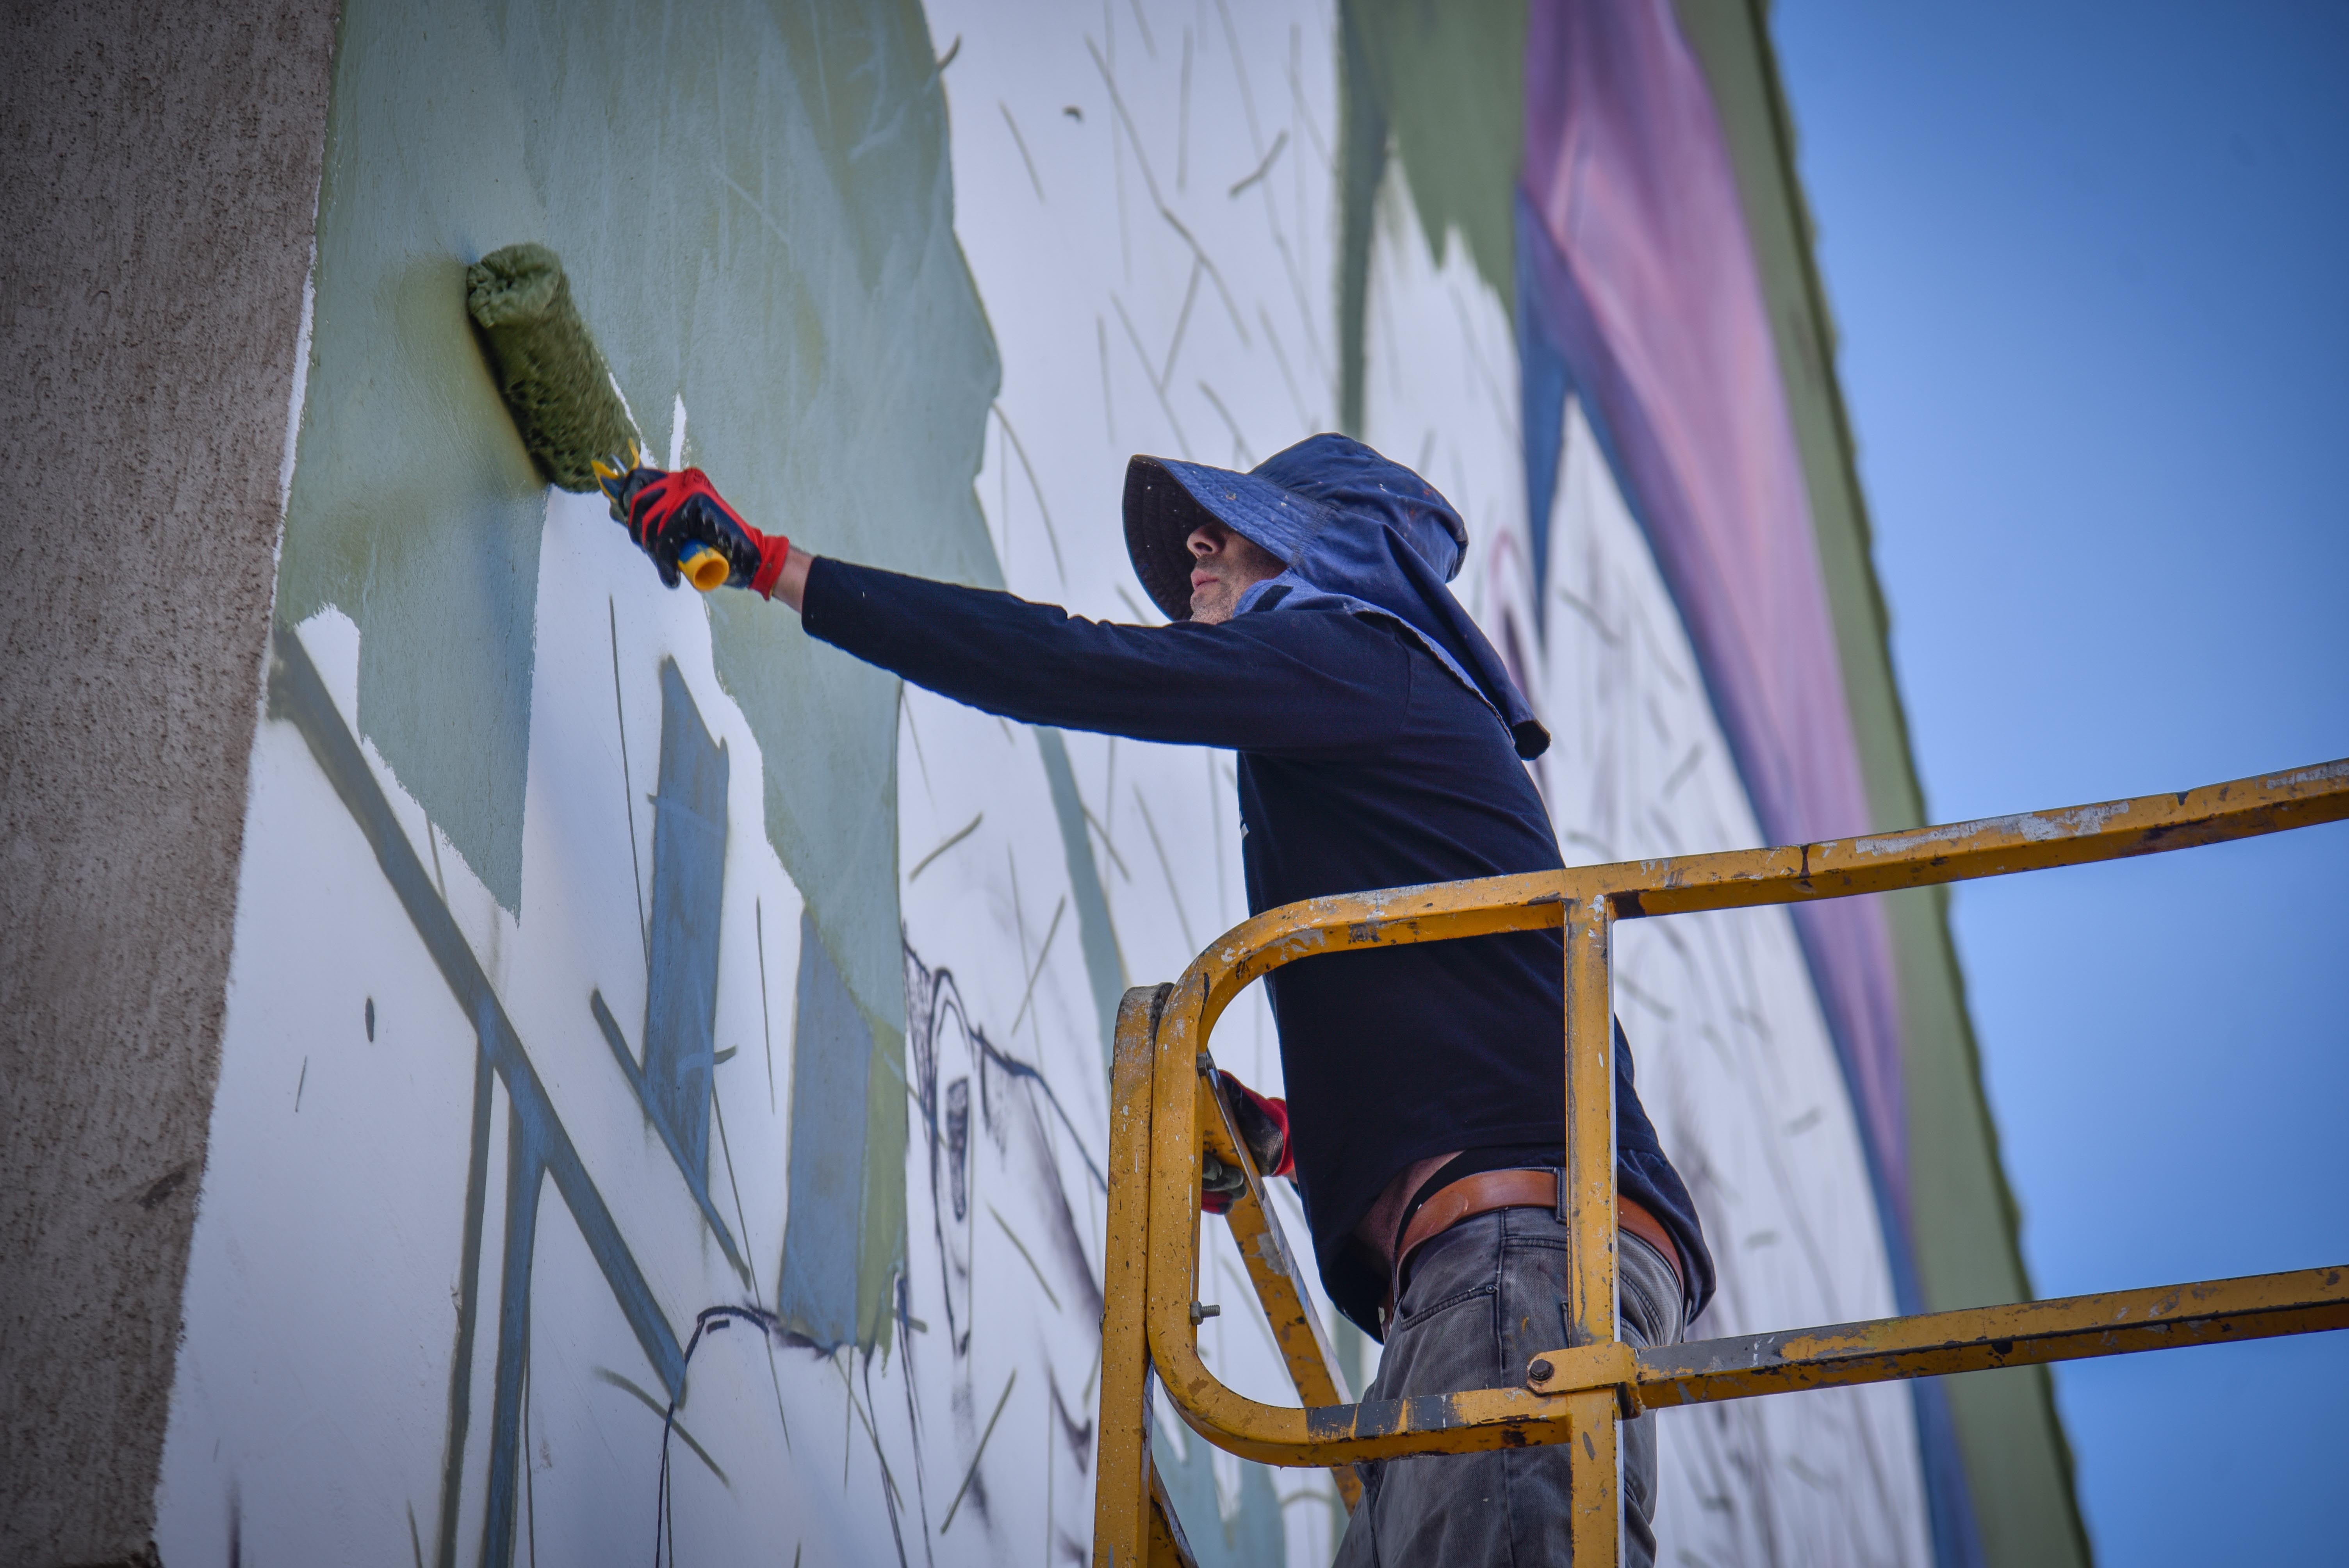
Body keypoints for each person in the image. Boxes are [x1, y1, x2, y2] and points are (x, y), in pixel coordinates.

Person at [597, 435, 1716, 1564]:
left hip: (1521, 1257)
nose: (1194, 543)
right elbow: (1466, 1010)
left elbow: (1075, 664)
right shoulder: (1382, 720)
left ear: (1339, 552)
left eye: (1233, 523)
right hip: (1486, 1266)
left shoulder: (1364, 656)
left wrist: (776, 567)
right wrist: (1294, 1138)